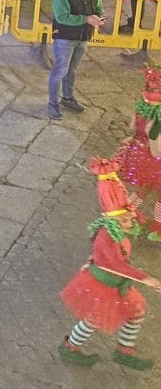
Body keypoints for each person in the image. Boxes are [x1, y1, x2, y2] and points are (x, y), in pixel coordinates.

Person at [57, 158, 160, 369]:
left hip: (116, 283)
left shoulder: (119, 230)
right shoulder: (107, 236)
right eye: (125, 220)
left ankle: (124, 350)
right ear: (113, 221)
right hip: (104, 285)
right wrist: (146, 279)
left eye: (130, 218)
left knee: (136, 313)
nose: (131, 222)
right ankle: (69, 348)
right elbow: (114, 264)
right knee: (93, 320)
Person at [48, 0, 104, 120]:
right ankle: (52, 103)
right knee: (60, 71)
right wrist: (86, 19)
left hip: (83, 37)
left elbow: (98, 5)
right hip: (65, 38)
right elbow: (62, 17)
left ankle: (67, 98)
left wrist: (99, 16)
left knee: (71, 70)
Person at [115, 66, 161, 242]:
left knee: (141, 191)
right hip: (153, 163)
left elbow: (133, 128)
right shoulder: (156, 124)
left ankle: (122, 218)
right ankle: (157, 229)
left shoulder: (141, 112)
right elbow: (157, 150)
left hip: (137, 155)